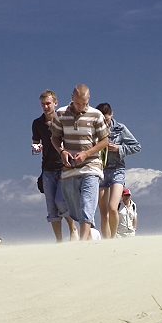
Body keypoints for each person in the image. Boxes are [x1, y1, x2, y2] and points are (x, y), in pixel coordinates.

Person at [50, 84, 108, 240]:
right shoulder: (61, 114)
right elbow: (54, 137)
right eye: (77, 103)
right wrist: (62, 151)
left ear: (88, 99)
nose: (81, 106)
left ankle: (82, 242)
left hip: (91, 166)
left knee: (87, 202)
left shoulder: (96, 115)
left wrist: (87, 153)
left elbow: (104, 141)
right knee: (69, 205)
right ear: (72, 98)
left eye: (84, 103)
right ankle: (91, 234)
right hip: (70, 168)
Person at [32, 90, 78, 242]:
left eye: (48, 103)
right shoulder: (37, 123)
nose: (45, 107)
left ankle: (73, 228)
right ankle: (59, 240)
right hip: (47, 168)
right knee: (51, 207)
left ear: (55, 103)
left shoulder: (64, 120)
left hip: (64, 167)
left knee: (61, 201)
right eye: (43, 104)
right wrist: (36, 147)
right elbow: (36, 142)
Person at [95, 103, 141, 238]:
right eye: (102, 120)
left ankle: (113, 237)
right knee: (103, 212)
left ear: (112, 115)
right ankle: (106, 240)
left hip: (117, 170)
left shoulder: (120, 129)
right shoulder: (93, 129)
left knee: (113, 207)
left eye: (107, 120)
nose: (105, 122)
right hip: (101, 170)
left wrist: (119, 148)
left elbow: (137, 146)